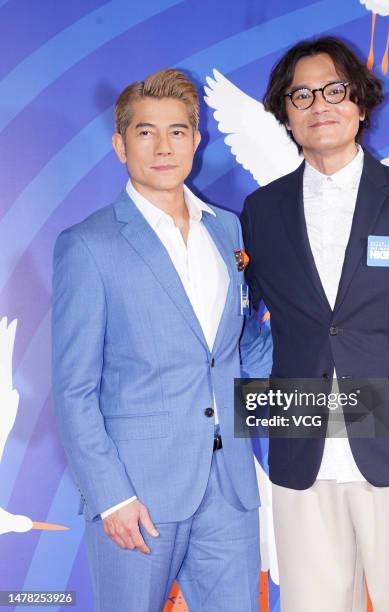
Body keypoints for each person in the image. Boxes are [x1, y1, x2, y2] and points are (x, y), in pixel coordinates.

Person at [240, 36, 389, 612]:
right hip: (301, 450)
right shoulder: (261, 212)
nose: (320, 105)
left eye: (335, 90)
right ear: (285, 115)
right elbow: (243, 324)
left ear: (360, 104)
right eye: (302, 95)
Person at [52, 68, 270, 612]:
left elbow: (237, 350)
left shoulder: (230, 230)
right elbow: (74, 389)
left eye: (178, 131)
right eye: (146, 132)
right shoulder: (87, 245)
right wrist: (112, 497)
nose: (164, 146)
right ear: (120, 144)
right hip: (138, 494)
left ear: (197, 141)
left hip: (231, 491)